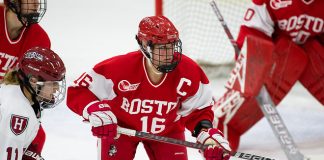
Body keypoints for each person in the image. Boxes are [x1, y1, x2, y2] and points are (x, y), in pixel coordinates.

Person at [66, 16, 231, 160]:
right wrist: (96, 110)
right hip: (121, 131)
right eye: (162, 48)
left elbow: (199, 111)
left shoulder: (189, 72)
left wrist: (207, 135)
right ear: (144, 45)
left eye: (172, 46)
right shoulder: (119, 68)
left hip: (168, 131)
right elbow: (79, 90)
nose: (169, 54)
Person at [213, 0, 324, 151]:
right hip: (277, 54)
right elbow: (254, 30)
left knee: (310, 56)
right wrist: (249, 56)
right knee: (254, 74)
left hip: (315, 51)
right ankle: (221, 127)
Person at [0, 1, 50, 159]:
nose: (37, 4)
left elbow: (28, 88)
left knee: (36, 135)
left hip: (4, 104)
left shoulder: (39, 38)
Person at [0, 47, 66, 160]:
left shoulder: (21, 94)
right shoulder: (18, 111)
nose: (56, 89)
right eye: (53, 84)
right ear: (34, 82)